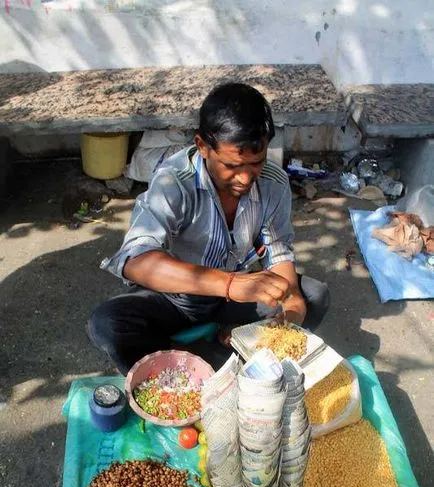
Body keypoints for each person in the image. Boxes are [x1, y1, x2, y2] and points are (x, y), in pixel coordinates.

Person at [87, 83, 329, 374]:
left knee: (313, 296)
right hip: (177, 300)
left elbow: (279, 255)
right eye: (231, 165)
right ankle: (198, 355)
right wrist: (228, 284)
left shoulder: (273, 182)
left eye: (256, 163)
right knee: (107, 324)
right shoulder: (174, 182)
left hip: (237, 297)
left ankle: (227, 345)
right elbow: (135, 261)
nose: (245, 177)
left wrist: (290, 313)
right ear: (202, 146)